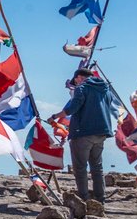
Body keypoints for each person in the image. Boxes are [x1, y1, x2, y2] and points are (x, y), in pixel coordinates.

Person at [50, 68, 121, 207]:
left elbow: (72, 108)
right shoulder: (105, 90)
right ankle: (100, 200)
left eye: (75, 81)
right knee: (97, 167)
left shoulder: (82, 88)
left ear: (79, 78)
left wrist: (54, 116)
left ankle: (83, 200)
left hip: (83, 132)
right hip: (101, 132)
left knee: (80, 168)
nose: (75, 84)